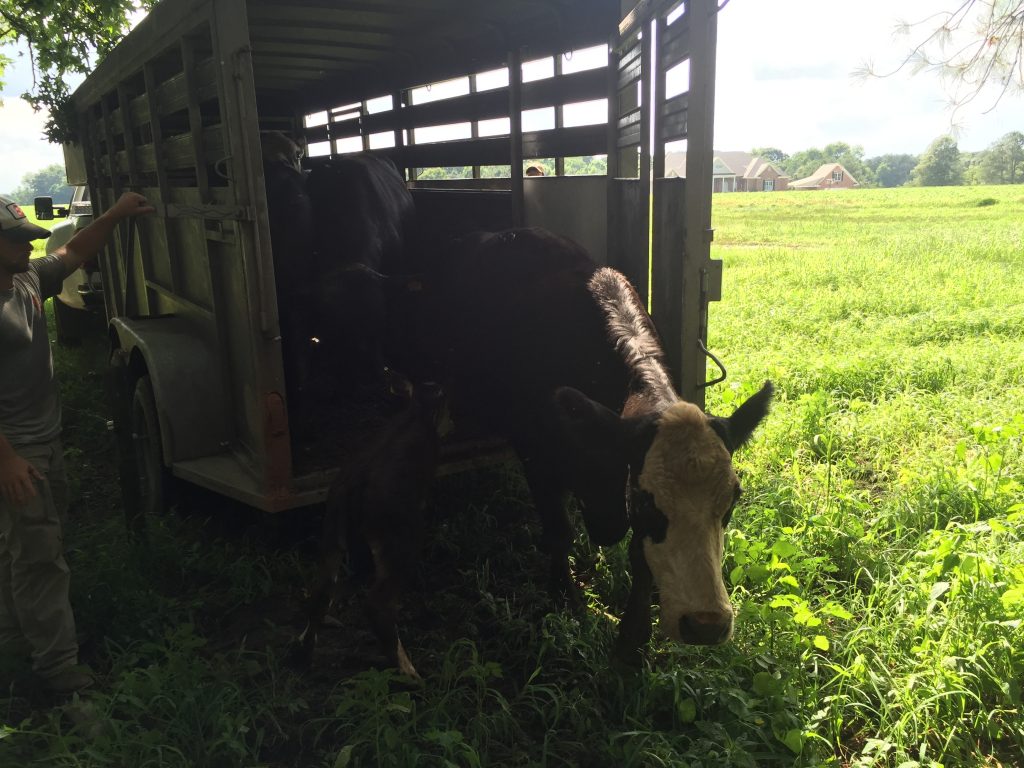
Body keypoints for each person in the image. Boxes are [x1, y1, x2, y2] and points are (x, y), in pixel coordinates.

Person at [0, 190, 154, 694]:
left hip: (40, 442)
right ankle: (60, 673)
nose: (29, 246)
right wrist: (7, 460)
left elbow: (73, 253)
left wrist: (113, 214)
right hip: (16, 454)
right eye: (17, 240)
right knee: (41, 558)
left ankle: (17, 638)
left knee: (21, 547)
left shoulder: (23, 278)